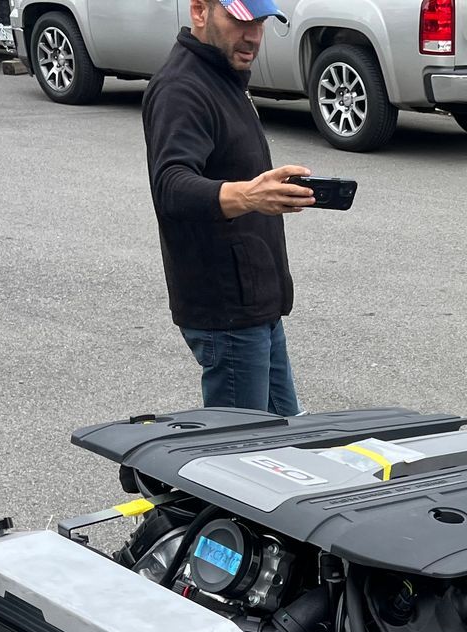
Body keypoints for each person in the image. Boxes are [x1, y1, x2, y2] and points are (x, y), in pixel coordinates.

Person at [142, 0, 316, 416]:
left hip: (256, 303)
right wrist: (250, 196)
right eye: (240, 20)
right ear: (200, 12)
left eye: (259, 22)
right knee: (241, 459)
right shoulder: (181, 89)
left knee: (289, 440)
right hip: (226, 309)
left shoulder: (223, 77)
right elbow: (171, 186)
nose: (253, 35)